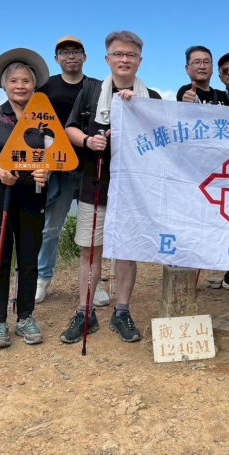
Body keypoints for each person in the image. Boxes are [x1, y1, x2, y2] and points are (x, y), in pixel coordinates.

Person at [60, 31, 162, 344]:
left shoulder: (152, 98)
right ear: (108, 59)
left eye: (130, 55)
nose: (124, 60)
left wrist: (137, 111)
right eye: (118, 54)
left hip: (134, 189)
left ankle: (122, 311)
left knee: (127, 251)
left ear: (140, 61)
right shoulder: (91, 92)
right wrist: (88, 141)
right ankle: (84, 311)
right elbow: (70, 128)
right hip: (95, 183)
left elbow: (162, 142)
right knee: (91, 251)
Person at [0, 48, 51, 348]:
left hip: (32, 192)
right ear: (5, 85)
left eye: (26, 81)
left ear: (34, 85)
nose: (21, 86)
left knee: (29, 257)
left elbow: (51, 155)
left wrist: (47, 172)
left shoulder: (43, 118)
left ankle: (26, 316)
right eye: (15, 80)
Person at [34, 36, 108, 307]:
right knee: (51, 227)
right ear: (57, 59)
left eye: (76, 51)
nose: (71, 56)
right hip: (59, 169)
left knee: (94, 231)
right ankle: (43, 279)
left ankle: (95, 282)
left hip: (92, 167)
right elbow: (34, 124)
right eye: (64, 52)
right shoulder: (46, 87)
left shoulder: (98, 87)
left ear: (85, 57)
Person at [176, 45, 229, 298]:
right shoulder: (183, 94)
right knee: (192, 228)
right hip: (192, 174)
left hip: (220, 174)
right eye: (196, 62)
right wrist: (187, 105)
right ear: (187, 69)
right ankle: (187, 286)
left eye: (206, 61)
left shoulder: (222, 96)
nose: (201, 65)